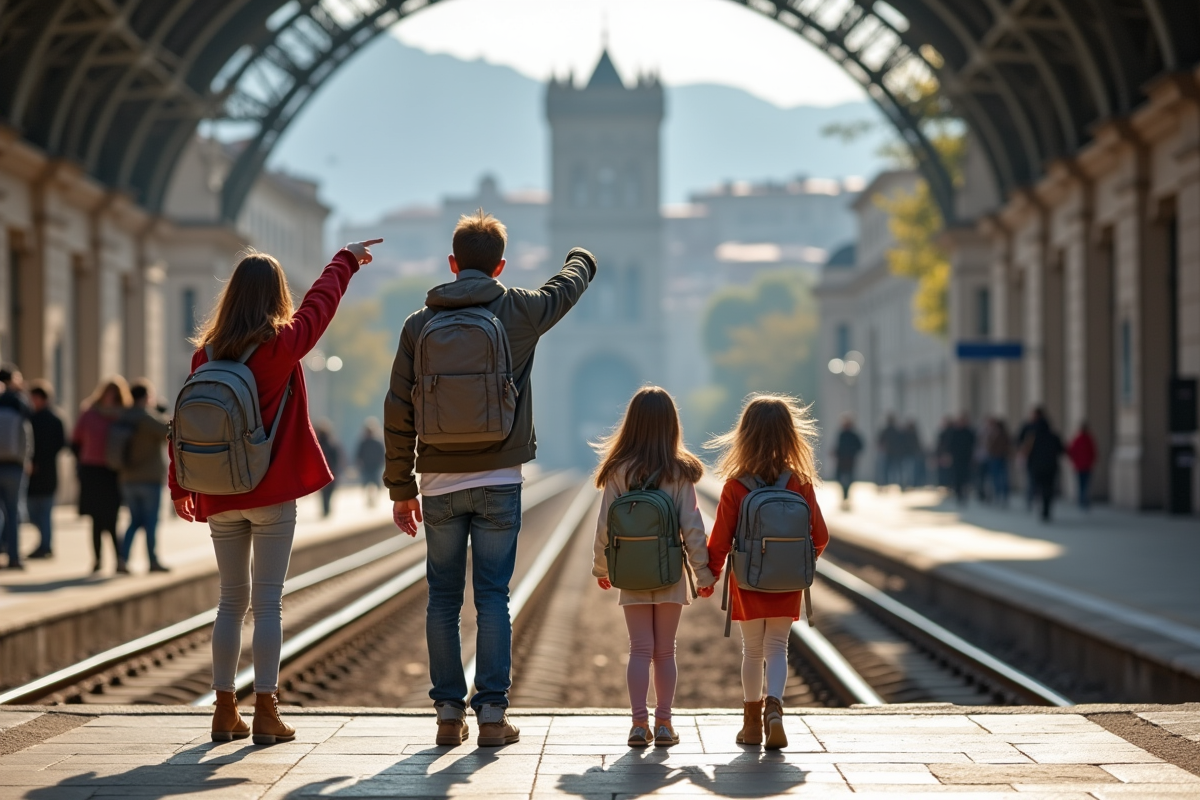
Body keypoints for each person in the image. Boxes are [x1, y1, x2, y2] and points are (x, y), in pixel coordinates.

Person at [384, 210, 595, 747]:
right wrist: (581, 259)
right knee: (494, 596)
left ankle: (449, 715)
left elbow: (398, 410)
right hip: (500, 476)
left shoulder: (418, 325)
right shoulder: (518, 310)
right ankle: (493, 717)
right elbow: (564, 289)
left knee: (442, 598)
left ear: (451, 264)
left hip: (437, 484)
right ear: (500, 265)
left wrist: (400, 486)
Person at [169, 240, 381, 745]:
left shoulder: (206, 353)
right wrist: (344, 260)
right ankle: (266, 711)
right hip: (270, 493)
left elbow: (186, 426)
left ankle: (223, 710)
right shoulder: (281, 345)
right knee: (267, 604)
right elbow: (320, 306)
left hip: (219, 494)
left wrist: (180, 486)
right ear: (276, 295)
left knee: (228, 602)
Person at [591, 386, 716, 748]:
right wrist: (703, 575)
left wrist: (603, 569)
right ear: (671, 425)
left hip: (630, 571)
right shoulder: (680, 472)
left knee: (639, 648)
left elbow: (604, 526)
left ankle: (637, 724)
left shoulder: (618, 471)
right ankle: (664, 724)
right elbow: (693, 528)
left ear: (631, 425)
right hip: (669, 573)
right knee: (665, 651)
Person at [705, 394, 830, 750]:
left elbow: (720, 542)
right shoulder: (801, 483)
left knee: (753, 651)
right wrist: (796, 564)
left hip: (747, 580)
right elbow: (820, 536)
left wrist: (709, 577)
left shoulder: (736, 486)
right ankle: (774, 708)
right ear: (790, 435)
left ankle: (751, 726)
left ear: (744, 434)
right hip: (787, 580)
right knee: (778, 647)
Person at [73, 377, 131, 574]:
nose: (110, 398)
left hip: (113, 472)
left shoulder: (124, 415)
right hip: (92, 471)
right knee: (96, 519)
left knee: (113, 519)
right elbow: (75, 440)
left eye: (114, 395)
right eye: (108, 393)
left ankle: (119, 560)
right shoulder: (89, 413)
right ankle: (97, 560)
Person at [118, 380, 171, 573]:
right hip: (149, 479)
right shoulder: (147, 417)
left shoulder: (124, 416)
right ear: (146, 396)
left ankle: (122, 558)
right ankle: (153, 561)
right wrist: (162, 413)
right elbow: (169, 431)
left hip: (127, 478)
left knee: (134, 521)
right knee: (151, 522)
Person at [26, 380, 66, 560]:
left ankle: (45, 546)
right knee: (33, 510)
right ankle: (44, 543)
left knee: (45, 511)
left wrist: (39, 461)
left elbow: (60, 444)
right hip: (35, 472)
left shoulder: (53, 419)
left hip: (46, 472)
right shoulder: (31, 417)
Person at [0, 365, 31, 570]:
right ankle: (13, 557)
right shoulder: (20, 403)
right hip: (14, 464)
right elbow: (27, 433)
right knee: (13, 511)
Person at [1018, 407, 1064, 521]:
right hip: (1051, 467)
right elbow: (1061, 450)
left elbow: (1022, 446)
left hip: (1036, 467)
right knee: (1048, 489)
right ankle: (1046, 510)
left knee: (1039, 488)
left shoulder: (1033, 437)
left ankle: (1040, 507)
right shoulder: (1053, 436)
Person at [833, 414, 863, 504]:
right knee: (838, 478)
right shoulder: (841, 434)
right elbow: (838, 446)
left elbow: (860, 446)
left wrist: (852, 453)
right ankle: (844, 494)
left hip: (850, 460)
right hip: (841, 460)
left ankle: (846, 494)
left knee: (849, 478)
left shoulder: (854, 435)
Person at [355, 419, 385, 507]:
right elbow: (358, 454)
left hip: (375, 466)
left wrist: (382, 463)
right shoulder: (363, 442)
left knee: (375, 484)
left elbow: (382, 454)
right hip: (366, 466)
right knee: (367, 484)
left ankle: (374, 499)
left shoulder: (377, 442)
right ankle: (369, 498)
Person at [1067, 421, 1097, 511]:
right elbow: (1093, 452)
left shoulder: (1077, 439)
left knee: (1081, 484)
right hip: (1086, 465)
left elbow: (1071, 451)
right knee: (1085, 484)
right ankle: (1084, 500)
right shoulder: (1088, 439)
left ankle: (1081, 500)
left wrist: (1074, 461)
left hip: (1079, 465)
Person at [314, 420, 341, 518]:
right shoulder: (332, 443)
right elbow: (338, 458)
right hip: (332, 472)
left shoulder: (317, 444)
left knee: (324, 493)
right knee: (329, 492)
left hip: (321, 472)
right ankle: (327, 509)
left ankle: (325, 509)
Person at [948, 414, 976, 505]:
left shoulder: (969, 432)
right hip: (957, 458)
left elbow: (973, 445)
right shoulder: (954, 432)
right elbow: (950, 445)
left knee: (966, 477)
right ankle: (958, 494)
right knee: (957, 477)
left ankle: (965, 494)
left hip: (966, 458)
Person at [984, 417, 1012, 506]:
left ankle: (1001, 496)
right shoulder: (994, 434)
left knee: (1000, 478)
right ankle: (999, 496)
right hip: (996, 458)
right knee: (998, 478)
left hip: (999, 458)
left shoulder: (1000, 435)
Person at [876, 414, 902, 487]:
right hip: (895, 453)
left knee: (886, 471)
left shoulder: (886, 430)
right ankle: (897, 484)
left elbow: (880, 442)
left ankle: (886, 484)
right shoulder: (897, 430)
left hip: (888, 453)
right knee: (895, 471)